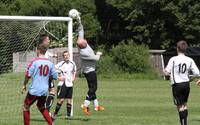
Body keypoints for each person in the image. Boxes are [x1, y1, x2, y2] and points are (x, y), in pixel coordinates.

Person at [21, 44, 64, 125]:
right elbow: (55, 76)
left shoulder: (34, 62)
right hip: (44, 91)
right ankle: (51, 123)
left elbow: (28, 75)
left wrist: (24, 85)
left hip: (34, 90)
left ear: (38, 51)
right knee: (41, 107)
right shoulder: (50, 63)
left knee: (25, 107)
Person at [163, 40, 200, 125]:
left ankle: (183, 124)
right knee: (184, 105)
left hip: (177, 85)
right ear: (185, 49)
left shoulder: (173, 59)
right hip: (186, 84)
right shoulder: (189, 60)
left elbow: (166, 71)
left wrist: (166, 72)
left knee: (179, 106)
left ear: (177, 49)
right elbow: (197, 73)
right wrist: (191, 78)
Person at [76, 21, 104, 115]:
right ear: (84, 44)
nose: (84, 39)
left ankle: (96, 106)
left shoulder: (81, 44)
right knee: (93, 88)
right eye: (84, 40)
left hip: (87, 70)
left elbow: (81, 32)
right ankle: (85, 105)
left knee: (91, 88)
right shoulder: (85, 53)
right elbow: (96, 58)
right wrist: (99, 54)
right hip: (90, 72)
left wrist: (79, 22)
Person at [51, 51, 77, 119]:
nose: (66, 56)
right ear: (63, 57)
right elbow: (53, 69)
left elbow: (74, 71)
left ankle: (68, 116)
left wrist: (73, 78)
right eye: (65, 55)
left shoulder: (72, 63)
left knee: (69, 100)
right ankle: (55, 114)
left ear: (69, 56)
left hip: (70, 84)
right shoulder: (61, 63)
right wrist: (59, 76)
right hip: (62, 84)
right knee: (61, 100)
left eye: (67, 55)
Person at [38, 34, 57, 112]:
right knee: (52, 91)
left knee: (49, 91)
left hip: (43, 74)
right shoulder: (41, 48)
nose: (49, 41)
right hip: (47, 74)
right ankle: (46, 108)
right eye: (48, 39)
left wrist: (53, 55)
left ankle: (46, 108)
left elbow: (47, 54)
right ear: (44, 40)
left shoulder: (42, 48)